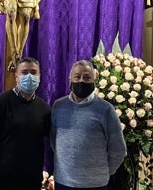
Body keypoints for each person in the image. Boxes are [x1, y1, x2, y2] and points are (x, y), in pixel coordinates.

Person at [0, 57, 51, 190]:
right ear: (16, 77)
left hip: (32, 182)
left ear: (39, 76)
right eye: (24, 72)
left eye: (33, 72)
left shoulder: (44, 108)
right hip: (1, 182)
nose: (29, 76)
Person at [51, 60, 126, 190]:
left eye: (87, 77)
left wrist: (103, 172)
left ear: (94, 81)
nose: (81, 81)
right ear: (70, 79)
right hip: (63, 182)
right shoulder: (58, 106)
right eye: (77, 76)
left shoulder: (106, 109)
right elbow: (54, 140)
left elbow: (118, 148)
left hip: (95, 184)